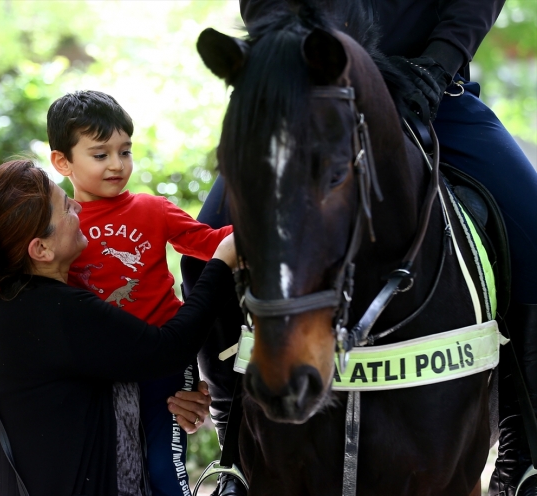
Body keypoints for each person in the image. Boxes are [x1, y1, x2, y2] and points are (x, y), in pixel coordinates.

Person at [181, 1, 537, 495]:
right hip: (309, 95)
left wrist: (439, 61)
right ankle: (233, 450)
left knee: (534, 225)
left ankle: (523, 457)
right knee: (205, 250)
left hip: (427, 90)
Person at [0, 159, 237, 495]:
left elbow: (95, 392)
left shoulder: (15, 303)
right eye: (66, 208)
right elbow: (167, 349)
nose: (79, 206)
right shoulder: (55, 311)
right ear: (41, 248)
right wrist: (220, 264)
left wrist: (170, 404)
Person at [44, 90, 233, 496]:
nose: (117, 164)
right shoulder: (58, 227)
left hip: (164, 356)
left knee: (165, 467)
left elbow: (212, 242)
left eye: (125, 151)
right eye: (100, 154)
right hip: (98, 365)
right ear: (62, 161)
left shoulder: (154, 210)